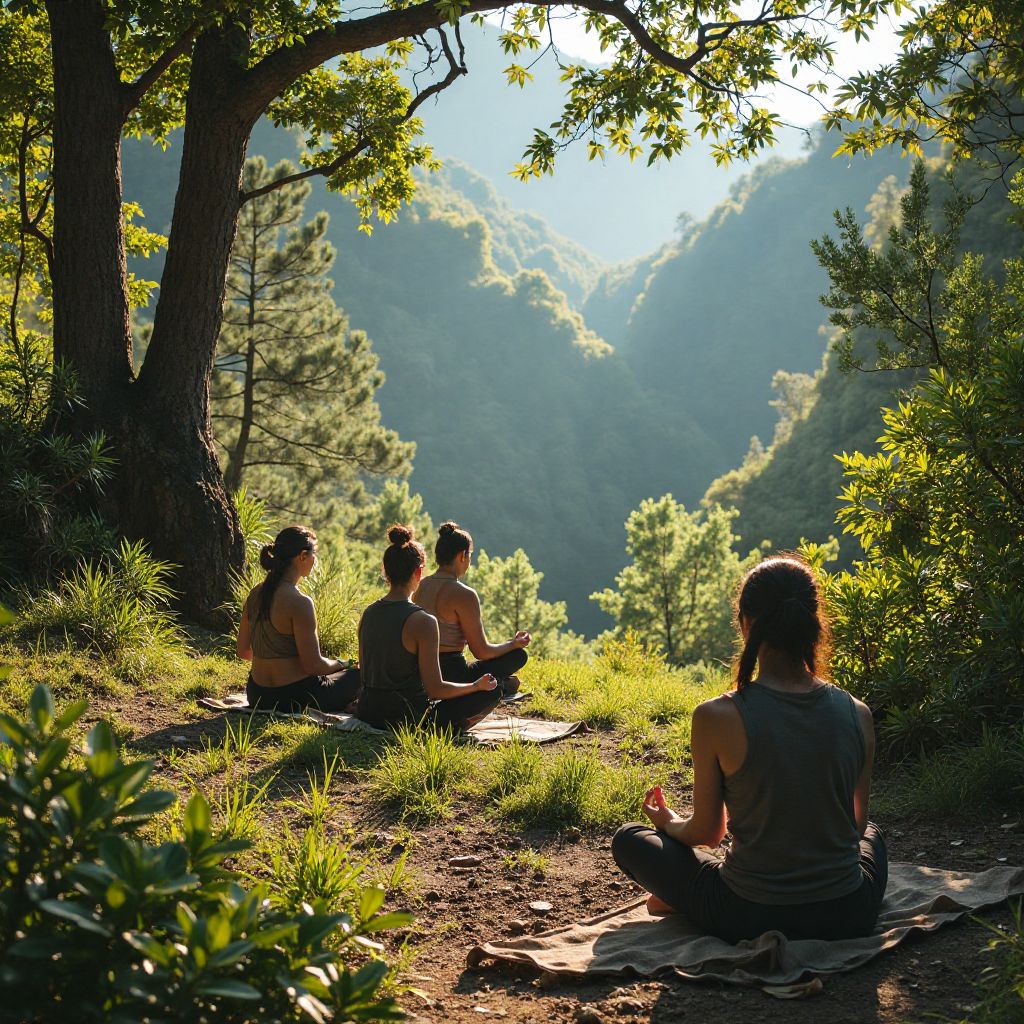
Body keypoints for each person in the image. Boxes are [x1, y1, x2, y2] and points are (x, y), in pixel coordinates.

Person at [611, 556, 887, 944]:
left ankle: (681, 899)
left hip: (745, 914)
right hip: (848, 915)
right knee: (875, 833)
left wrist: (669, 822)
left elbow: (707, 832)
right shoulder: (858, 713)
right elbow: (855, 826)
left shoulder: (716, 716)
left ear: (746, 624)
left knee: (628, 839)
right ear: (813, 622)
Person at [356, 524, 503, 730]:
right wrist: (475, 686)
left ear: (386, 571)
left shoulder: (369, 612)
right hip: (406, 717)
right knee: (492, 692)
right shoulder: (423, 621)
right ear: (419, 572)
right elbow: (436, 689)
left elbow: (364, 672)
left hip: (367, 711)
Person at [237, 526, 361, 713]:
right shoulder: (299, 602)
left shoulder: (255, 594)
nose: (314, 560)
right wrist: (343, 663)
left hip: (257, 694)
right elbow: (314, 666)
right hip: (295, 697)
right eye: (314, 554)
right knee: (359, 674)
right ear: (303, 556)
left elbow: (243, 652)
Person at [413, 521, 530, 698]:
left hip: (420, 670)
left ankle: (502, 683)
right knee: (518, 656)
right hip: (453, 673)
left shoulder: (421, 586)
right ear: (462, 556)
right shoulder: (464, 594)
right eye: (470, 556)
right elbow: (481, 651)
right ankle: (500, 684)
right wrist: (513, 644)